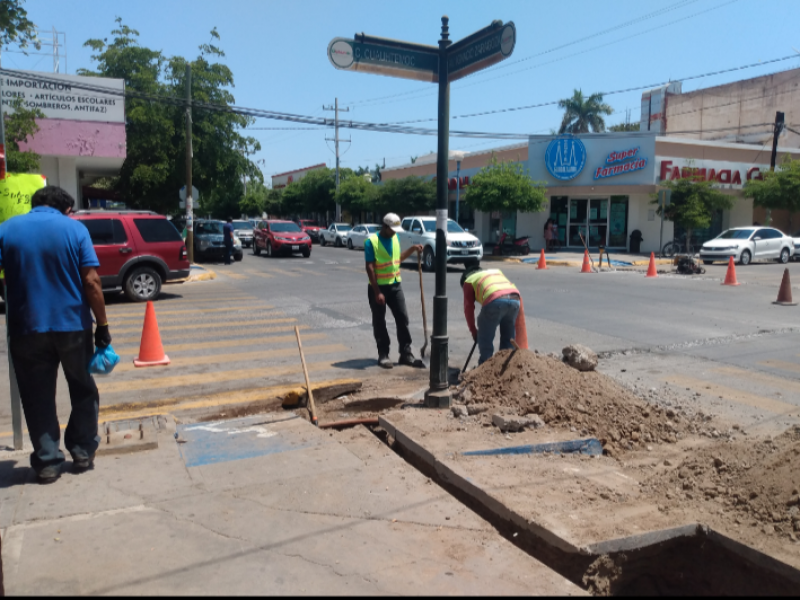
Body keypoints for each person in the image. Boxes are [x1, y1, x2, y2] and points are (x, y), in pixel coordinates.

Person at [0, 186, 111, 483]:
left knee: (37, 396)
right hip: (72, 326)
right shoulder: (75, 231)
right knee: (83, 388)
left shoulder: (6, 229)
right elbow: (92, 282)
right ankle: (83, 450)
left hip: (26, 327)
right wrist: (102, 326)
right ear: (64, 209)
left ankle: (48, 462)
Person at [365, 213, 423, 369]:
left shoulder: (395, 238)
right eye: (393, 229)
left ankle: (405, 353)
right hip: (378, 287)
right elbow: (369, 267)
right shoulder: (372, 242)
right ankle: (383, 354)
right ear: (385, 226)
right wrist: (377, 292)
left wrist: (412, 249)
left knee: (403, 318)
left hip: (395, 285)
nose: (395, 232)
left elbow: (397, 259)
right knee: (379, 322)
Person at [461, 259, 528, 365]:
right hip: (515, 299)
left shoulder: (468, 281)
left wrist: (474, 332)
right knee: (507, 342)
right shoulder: (495, 272)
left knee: (485, 341)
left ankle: (485, 368)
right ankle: (506, 369)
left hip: (495, 300)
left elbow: (468, 309)